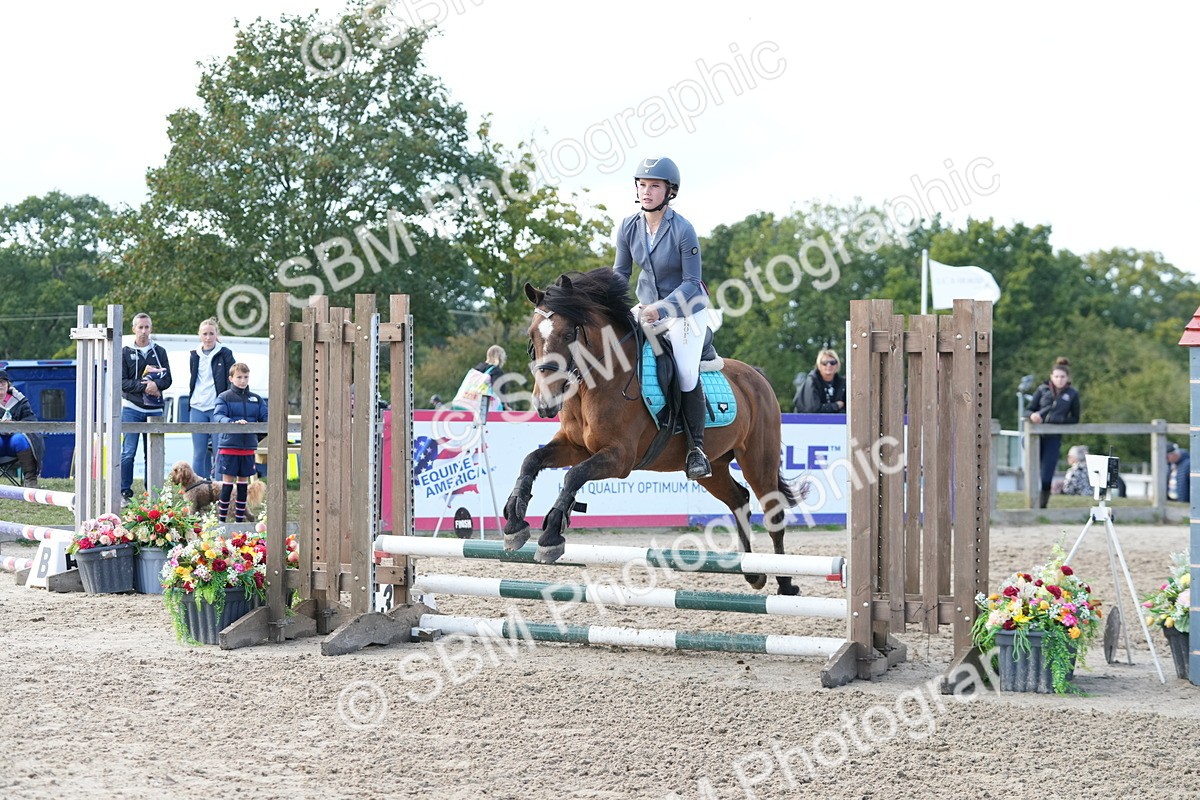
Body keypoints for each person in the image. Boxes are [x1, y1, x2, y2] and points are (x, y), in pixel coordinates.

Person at [613, 156, 712, 480]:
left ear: (669, 191)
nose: (646, 191)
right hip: (646, 308)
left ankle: (696, 449)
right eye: (642, 184)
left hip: (686, 312)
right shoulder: (628, 226)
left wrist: (662, 308)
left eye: (654, 185)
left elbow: (692, 282)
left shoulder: (683, 230)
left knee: (685, 371)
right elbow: (621, 274)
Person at [120, 312, 172, 502]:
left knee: (153, 454)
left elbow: (168, 379)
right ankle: (124, 492)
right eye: (140, 327)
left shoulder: (160, 352)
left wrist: (157, 385)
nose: (143, 331)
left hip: (155, 410)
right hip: (131, 409)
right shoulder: (125, 352)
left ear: (151, 329)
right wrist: (145, 386)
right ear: (133, 329)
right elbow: (122, 382)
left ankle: (153, 493)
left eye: (147, 327)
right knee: (128, 453)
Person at [213, 362, 268, 522]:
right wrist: (231, 423)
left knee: (243, 483)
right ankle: (221, 520)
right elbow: (218, 416)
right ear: (231, 378)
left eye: (245, 377)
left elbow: (265, 418)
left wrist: (256, 433)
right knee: (227, 484)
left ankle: (239, 521)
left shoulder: (256, 399)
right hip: (229, 446)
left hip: (248, 448)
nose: (242, 380)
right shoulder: (224, 397)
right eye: (239, 377)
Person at [1027, 357, 1080, 508]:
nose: (1059, 380)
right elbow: (1029, 409)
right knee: (1032, 471)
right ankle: (1031, 504)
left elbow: (1075, 418)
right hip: (1035, 436)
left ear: (1067, 378)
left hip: (1053, 438)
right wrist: (1032, 415)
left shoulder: (1072, 394)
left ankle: (1042, 507)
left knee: (1046, 477)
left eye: (1062, 377)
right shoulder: (1042, 389)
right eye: (1056, 376)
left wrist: (1059, 421)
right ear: (1051, 377)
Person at [188, 317, 237, 480]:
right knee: (199, 452)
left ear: (216, 334)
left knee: (219, 451)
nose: (208, 337)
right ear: (199, 335)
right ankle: (197, 489)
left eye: (211, 334)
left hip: (217, 408)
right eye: (204, 334)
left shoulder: (225, 353)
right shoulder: (194, 355)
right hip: (197, 407)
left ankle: (218, 491)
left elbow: (234, 379)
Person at [0, 370, 44, 487]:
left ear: (8, 384)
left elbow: (30, 421)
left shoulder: (20, 401)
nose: (0, 385)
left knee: (21, 439)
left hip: (14, 443)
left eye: (3, 382)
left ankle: (30, 478)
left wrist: (14, 425)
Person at [793, 349, 846, 413]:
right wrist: (836, 405)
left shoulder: (843, 383)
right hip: (809, 422)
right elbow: (813, 409)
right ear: (819, 365)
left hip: (836, 422)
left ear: (837, 365)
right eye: (824, 363)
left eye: (832, 362)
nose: (829, 365)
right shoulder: (812, 382)